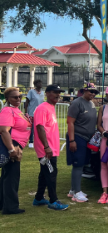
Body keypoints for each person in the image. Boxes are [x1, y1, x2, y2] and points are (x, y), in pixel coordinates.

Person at [32, 84, 69, 210]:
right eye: (54, 92)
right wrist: (46, 147)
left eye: (59, 92)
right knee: (51, 173)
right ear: (47, 93)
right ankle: (53, 201)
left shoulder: (51, 107)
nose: (58, 95)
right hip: (46, 149)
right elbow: (39, 127)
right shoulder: (42, 108)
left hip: (51, 147)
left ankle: (38, 198)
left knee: (44, 173)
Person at [0, 87, 31, 215]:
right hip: (13, 145)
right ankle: (11, 207)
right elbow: (3, 131)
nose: (18, 99)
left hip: (17, 145)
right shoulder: (7, 111)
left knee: (7, 176)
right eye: (15, 97)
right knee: (12, 177)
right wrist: (11, 149)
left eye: (20, 96)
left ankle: (3, 203)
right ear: (7, 99)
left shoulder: (16, 110)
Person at [66, 83, 98, 202]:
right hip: (77, 137)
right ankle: (77, 193)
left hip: (87, 139)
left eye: (95, 92)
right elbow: (70, 122)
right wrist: (72, 140)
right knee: (78, 165)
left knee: (83, 164)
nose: (93, 94)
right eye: (90, 91)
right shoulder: (76, 103)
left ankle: (74, 189)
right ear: (84, 91)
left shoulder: (91, 104)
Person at [25, 79, 44, 148]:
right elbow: (27, 102)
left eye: (41, 82)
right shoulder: (31, 92)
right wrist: (26, 112)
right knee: (32, 128)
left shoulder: (42, 93)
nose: (40, 84)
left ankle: (38, 141)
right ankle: (30, 141)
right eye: (38, 83)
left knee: (39, 127)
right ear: (35, 84)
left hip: (40, 113)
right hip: (32, 113)